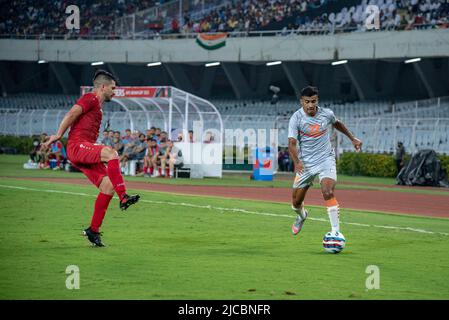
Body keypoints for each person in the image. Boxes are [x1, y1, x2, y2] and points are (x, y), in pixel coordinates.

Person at [43, 69, 140, 247]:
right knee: (112, 153)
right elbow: (71, 114)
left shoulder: (98, 107)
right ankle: (124, 196)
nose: (114, 91)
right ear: (103, 87)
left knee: (108, 187)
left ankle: (93, 231)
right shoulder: (90, 98)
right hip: (76, 146)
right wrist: (58, 135)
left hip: (82, 149)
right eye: (112, 88)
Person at [288, 86, 362, 239]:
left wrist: (352, 138)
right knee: (295, 203)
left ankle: (335, 231)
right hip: (306, 165)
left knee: (327, 191)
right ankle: (302, 216)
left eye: (313, 101)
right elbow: (291, 143)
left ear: (317, 100)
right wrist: (297, 162)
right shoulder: (296, 118)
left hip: (326, 160)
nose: (310, 105)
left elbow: (337, 123)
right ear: (301, 101)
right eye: (307, 101)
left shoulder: (326, 114)